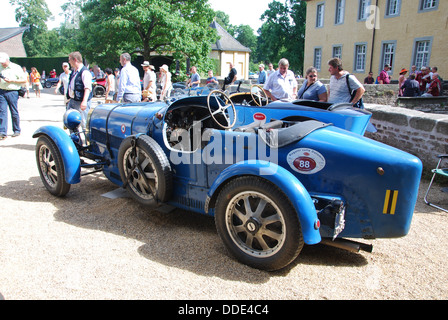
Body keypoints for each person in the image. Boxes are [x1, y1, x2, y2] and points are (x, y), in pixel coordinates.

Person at [0, 52, 26, 140]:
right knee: (2, 112)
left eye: (3, 62)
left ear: (8, 60)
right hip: (2, 91)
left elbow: (23, 80)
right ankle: (2, 132)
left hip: (13, 91)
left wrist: (12, 80)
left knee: (14, 111)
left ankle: (16, 130)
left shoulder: (16, 67)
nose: (2, 64)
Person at [66, 51, 93, 130]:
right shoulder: (74, 72)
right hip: (73, 100)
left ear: (75, 60)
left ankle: (85, 141)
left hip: (81, 102)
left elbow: (87, 88)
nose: (69, 62)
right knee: (70, 122)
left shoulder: (84, 72)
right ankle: (75, 140)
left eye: (69, 59)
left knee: (83, 123)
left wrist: (84, 101)